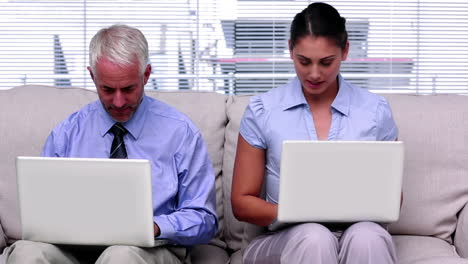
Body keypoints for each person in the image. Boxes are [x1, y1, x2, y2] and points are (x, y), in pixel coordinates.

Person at [5, 24, 217, 264]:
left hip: (146, 251)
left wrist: (155, 226)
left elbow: (205, 218)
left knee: (120, 255)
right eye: (107, 89)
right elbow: (41, 214)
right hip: (74, 251)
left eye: (128, 89)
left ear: (146, 75)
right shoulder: (67, 133)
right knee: (26, 252)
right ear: (93, 76)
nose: (118, 102)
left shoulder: (181, 134)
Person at [231, 2, 399, 264]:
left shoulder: (375, 111)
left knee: (368, 237)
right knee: (314, 237)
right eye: (304, 61)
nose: (314, 73)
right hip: (286, 237)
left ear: (345, 51)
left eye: (326, 62)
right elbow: (242, 203)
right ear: (290, 50)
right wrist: (296, 212)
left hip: (358, 232)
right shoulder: (263, 110)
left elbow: (392, 199)